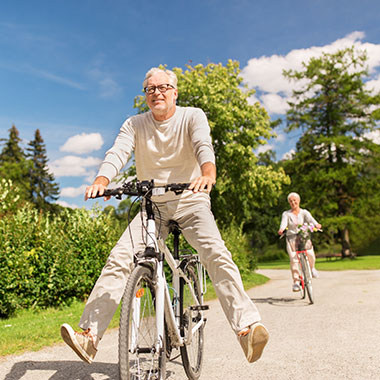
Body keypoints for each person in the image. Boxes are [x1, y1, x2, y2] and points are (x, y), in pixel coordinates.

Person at [60, 67, 269, 364]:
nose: (157, 92)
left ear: (175, 92)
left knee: (215, 253)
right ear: (145, 95)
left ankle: (247, 329)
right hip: (152, 206)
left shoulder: (192, 116)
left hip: (191, 200)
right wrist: (102, 181)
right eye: (150, 89)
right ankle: (90, 337)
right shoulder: (134, 124)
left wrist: (208, 173)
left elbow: (202, 144)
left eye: (163, 87)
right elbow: (117, 152)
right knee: (120, 258)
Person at [278, 192, 322, 292]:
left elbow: (311, 220)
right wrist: (281, 229)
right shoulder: (286, 214)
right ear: (289, 203)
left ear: (299, 201)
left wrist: (316, 225)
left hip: (303, 236)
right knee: (294, 259)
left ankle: (312, 268)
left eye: (295, 200)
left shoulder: (304, 212)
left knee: (310, 253)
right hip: (291, 237)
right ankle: (296, 282)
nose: (293, 202)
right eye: (291, 201)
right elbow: (283, 223)